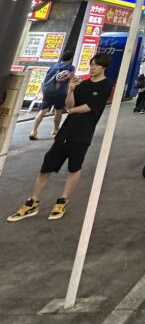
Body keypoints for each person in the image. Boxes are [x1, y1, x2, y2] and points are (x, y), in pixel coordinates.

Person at [8, 53, 113, 222]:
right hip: (65, 131)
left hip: (83, 134)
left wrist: (72, 111)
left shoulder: (107, 85)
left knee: (74, 167)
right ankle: (33, 202)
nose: (92, 68)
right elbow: (69, 105)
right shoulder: (82, 84)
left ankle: (62, 200)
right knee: (46, 166)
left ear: (104, 67)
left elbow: (91, 106)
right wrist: (71, 90)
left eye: (96, 65)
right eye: (91, 64)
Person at [29, 51, 76, 140]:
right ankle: (55, 129)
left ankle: (33, 131)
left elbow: (46, 78)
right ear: (70, 59)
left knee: (43, 111)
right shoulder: (70, 67)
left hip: (48, 91)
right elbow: (72, 78)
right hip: (60, 92)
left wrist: (41, 90)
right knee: (58, 111)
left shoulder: (53, 66)